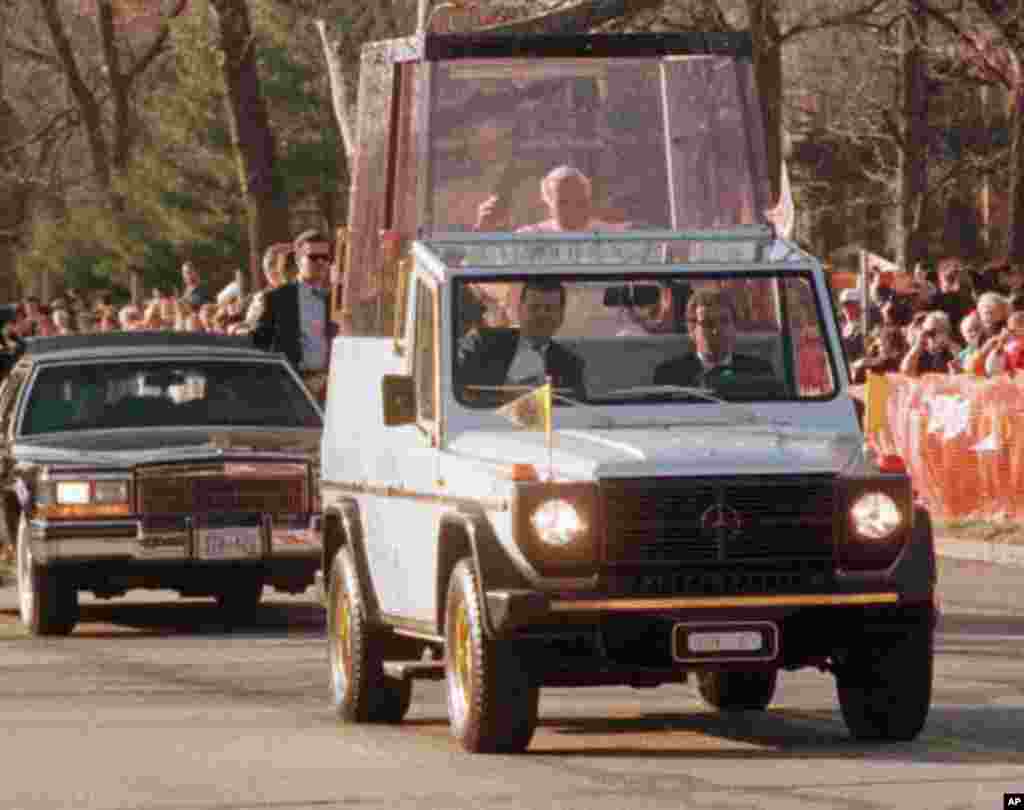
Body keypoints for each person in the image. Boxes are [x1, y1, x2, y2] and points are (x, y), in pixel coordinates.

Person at [456, 278, 585, 400]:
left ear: (561, 316)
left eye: (549, 309)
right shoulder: (481, 342)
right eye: (534, 307)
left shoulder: (571, 365)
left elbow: (577, 411)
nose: (542, 315)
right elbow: (461, 392)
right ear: (520, 310)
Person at [251, 229, 338, 403]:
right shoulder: (276, 299)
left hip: (330, 389)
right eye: (313, 257)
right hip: (289, 388)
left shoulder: (336, 301)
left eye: (325, 257)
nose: (321, 262)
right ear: (298, 260)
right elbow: (260, 344)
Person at [653, 288, 775, 390]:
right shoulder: (669, 376)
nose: (717, 330)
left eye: (724, 321)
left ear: (735, 327)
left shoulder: (760, 371)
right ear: (691, 330)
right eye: (708, 323)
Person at [475, 166, 628, 233]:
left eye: (580, 201)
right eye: (563, 202)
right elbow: (479, 276)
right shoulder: (529, 240)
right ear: (548, 203)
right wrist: (483, 231)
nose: (573, 209)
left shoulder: (611, 237)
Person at [900, 311, 958, 377]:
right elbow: (905, 370)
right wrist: (919, 344)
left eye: (938, 331)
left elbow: (964, 365)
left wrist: (949, 343)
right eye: (929, 332)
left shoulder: (952, 349)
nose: (931, 337)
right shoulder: (919, 351)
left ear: (946, 331)